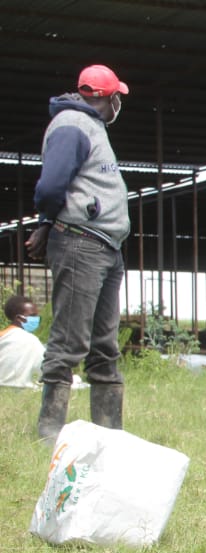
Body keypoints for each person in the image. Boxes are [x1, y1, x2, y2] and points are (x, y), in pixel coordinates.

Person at [25, 64, 130, 440]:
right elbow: (53, 185)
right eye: (117, 96)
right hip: (80, 243)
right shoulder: (72, 124)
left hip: (105, 246)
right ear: (106, 97)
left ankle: (109, 435)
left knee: (104, 345)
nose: (120, 103)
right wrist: (47, 221)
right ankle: (49, 432)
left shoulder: (92, 127)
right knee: (70, 342)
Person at [0, 294, 45, 388]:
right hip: (25, 387)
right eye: (33, 315)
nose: (37, 319)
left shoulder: (2, 336)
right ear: (19, 318)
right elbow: (44, 368)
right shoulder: (32, 340)